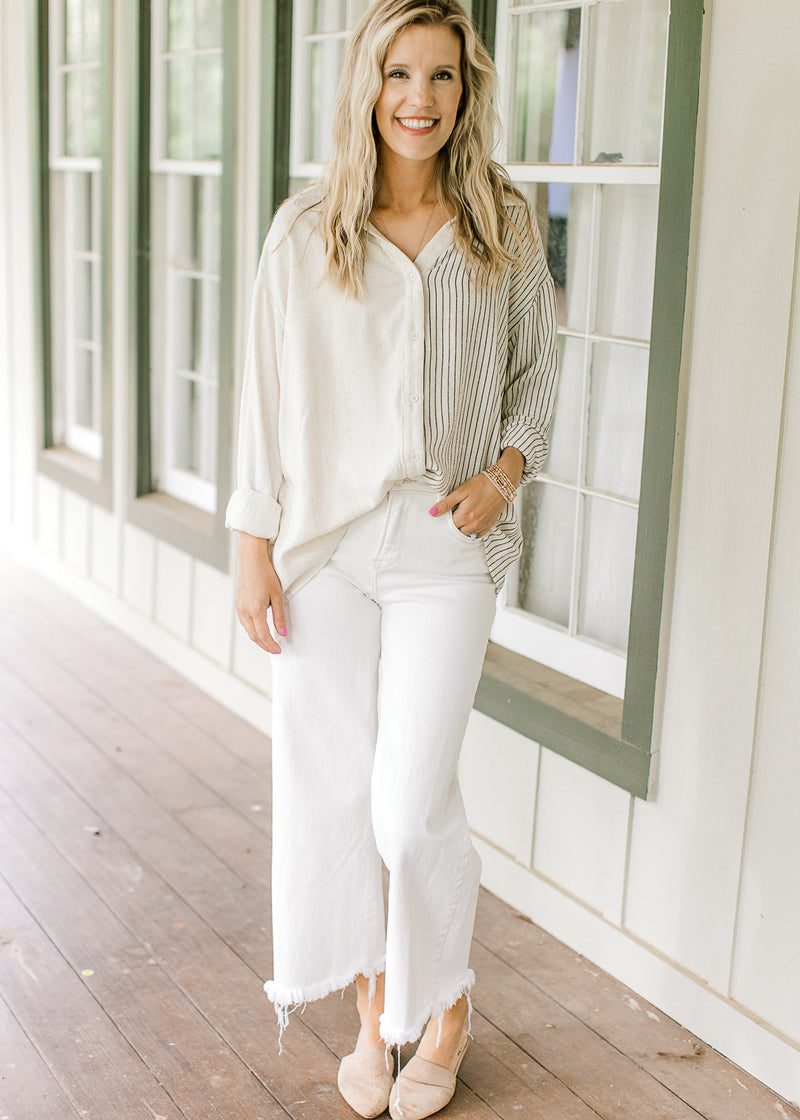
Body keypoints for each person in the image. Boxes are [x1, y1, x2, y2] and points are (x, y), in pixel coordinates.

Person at [226, 2, 558, 1116]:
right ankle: (375, 1009)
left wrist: (502, 474)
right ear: (366, 85)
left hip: (442, 541)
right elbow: (262, 408)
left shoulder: (501, 221)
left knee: (408, 801)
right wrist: (251, 551)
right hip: (322, 546)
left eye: (443, 78)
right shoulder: (305, 229)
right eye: (398, 74)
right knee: (331, 788)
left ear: (467, 92)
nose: (419, 99)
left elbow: (534, 381)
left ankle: (446, 999)